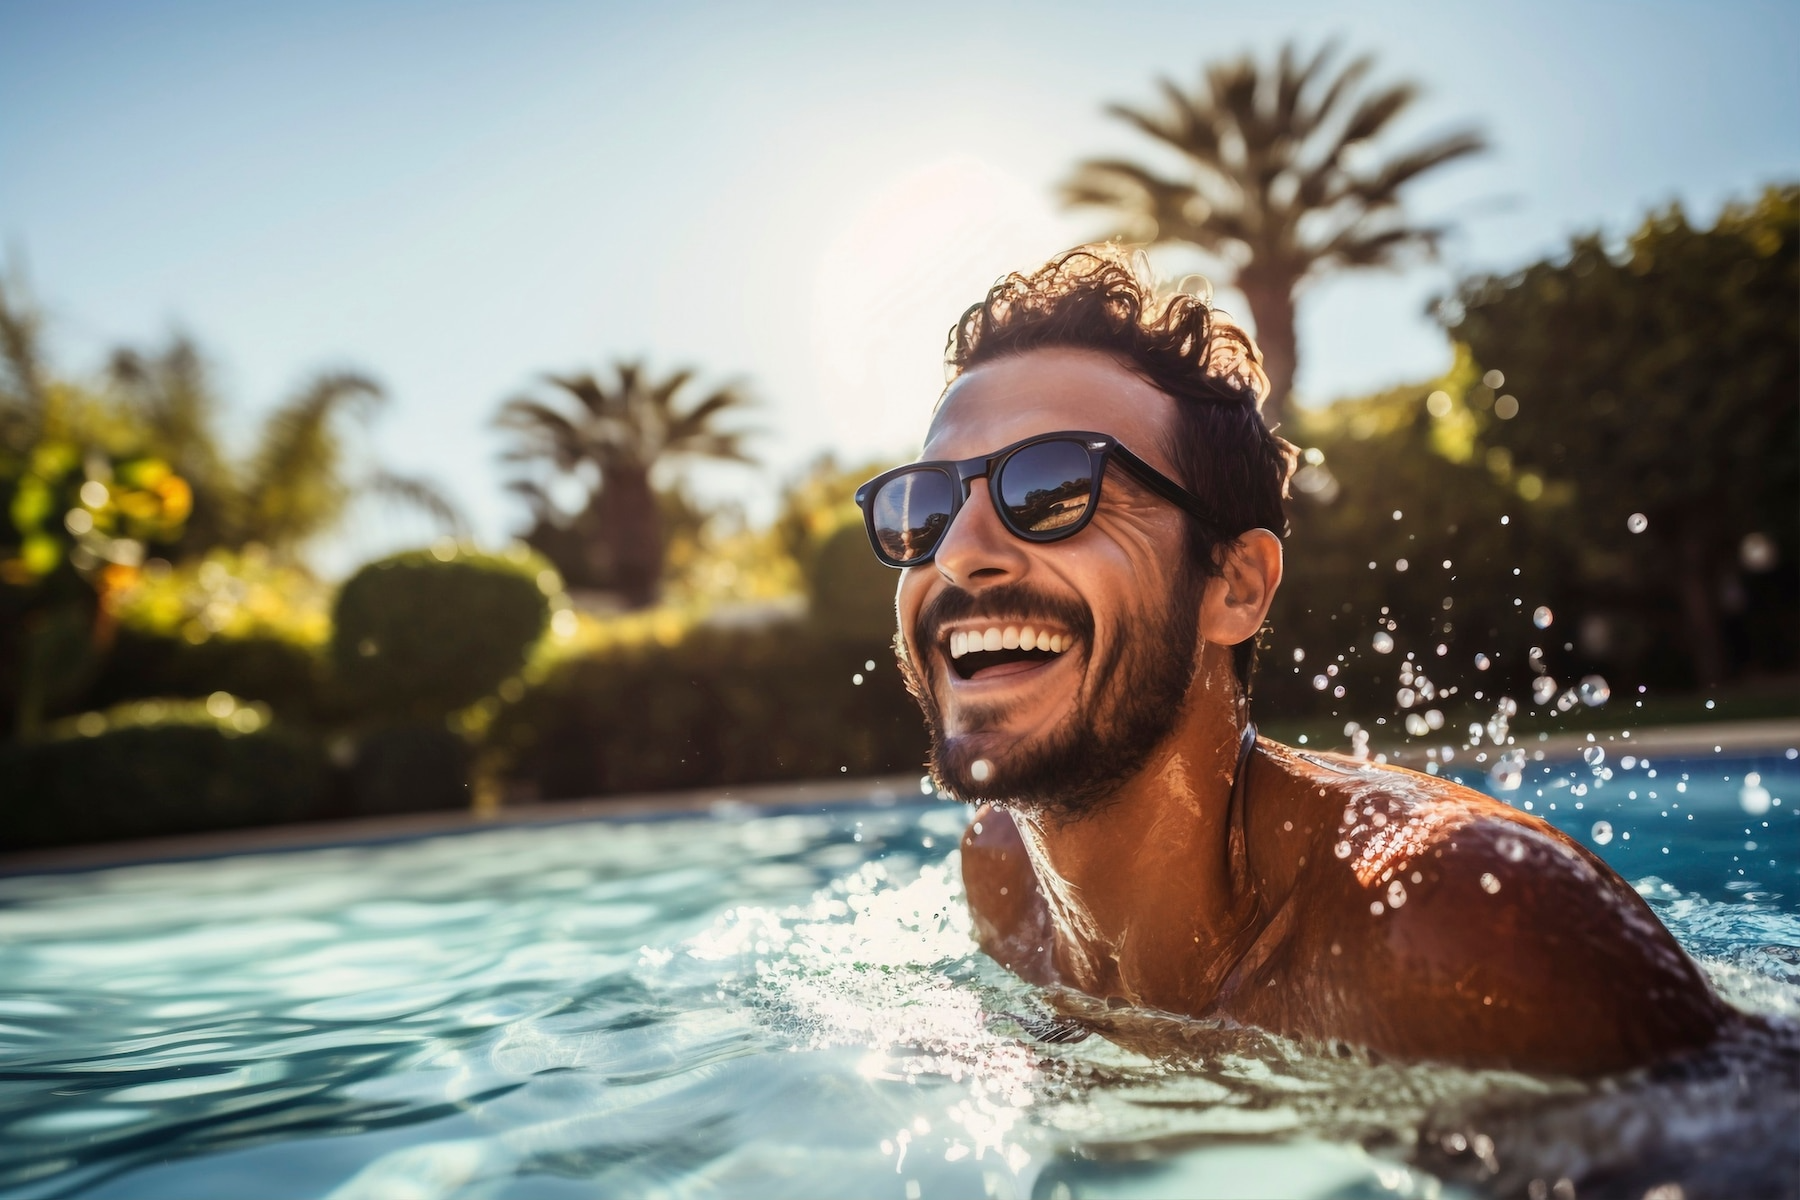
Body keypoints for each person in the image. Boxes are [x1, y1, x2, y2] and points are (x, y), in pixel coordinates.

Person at [855, 246, 1728, 1075]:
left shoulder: (1452, 927)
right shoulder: (1003, 880)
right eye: (923, 505)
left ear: (1235, 585)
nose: (958, 553)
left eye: (1051, 489)